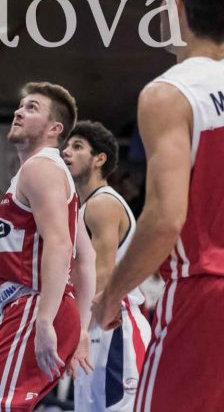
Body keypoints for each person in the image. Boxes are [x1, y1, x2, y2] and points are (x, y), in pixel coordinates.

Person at [92, 0, 224, 412]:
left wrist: (113, 294)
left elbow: (165, 218)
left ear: (176, 9)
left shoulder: (170, 93)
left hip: (213, 290)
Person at [0, 83, 96, 412]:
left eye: (32, 108)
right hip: (44, 308)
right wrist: (81, 328)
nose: (18, 112)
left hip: (33, 306)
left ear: (54, 129)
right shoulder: (52, 173)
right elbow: (86, 257)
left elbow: (60, 244)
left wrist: (44, 320)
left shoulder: (39, 168)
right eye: (21, 106)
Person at [61, 121, 150, 412]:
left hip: (114, 326)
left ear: (99, 159)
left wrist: (81, 331)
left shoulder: (103, 204)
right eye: (66, 146)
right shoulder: (82, 207)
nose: (66, 152)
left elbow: (102, 275)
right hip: (96, 327)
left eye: (77, 147)